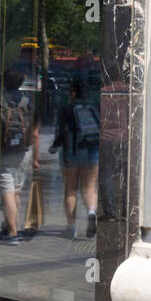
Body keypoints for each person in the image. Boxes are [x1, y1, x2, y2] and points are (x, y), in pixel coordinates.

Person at [50, 78, 99, 239]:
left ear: (72, 92)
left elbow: (62, 131)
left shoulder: (66, 109)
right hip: (92, 150)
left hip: (72, 151)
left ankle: (71, 226)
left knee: (70, 189)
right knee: (89, 188)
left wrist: (55, 146)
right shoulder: (92, 107)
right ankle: (91, 212)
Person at [0, 67, 39, 244]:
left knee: (7, 191)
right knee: (17, 191)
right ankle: (10, 225)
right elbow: (35, 132)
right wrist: (35, 157)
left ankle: (12, 233)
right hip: (24, 150)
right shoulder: (27, 100)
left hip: (4, 151)